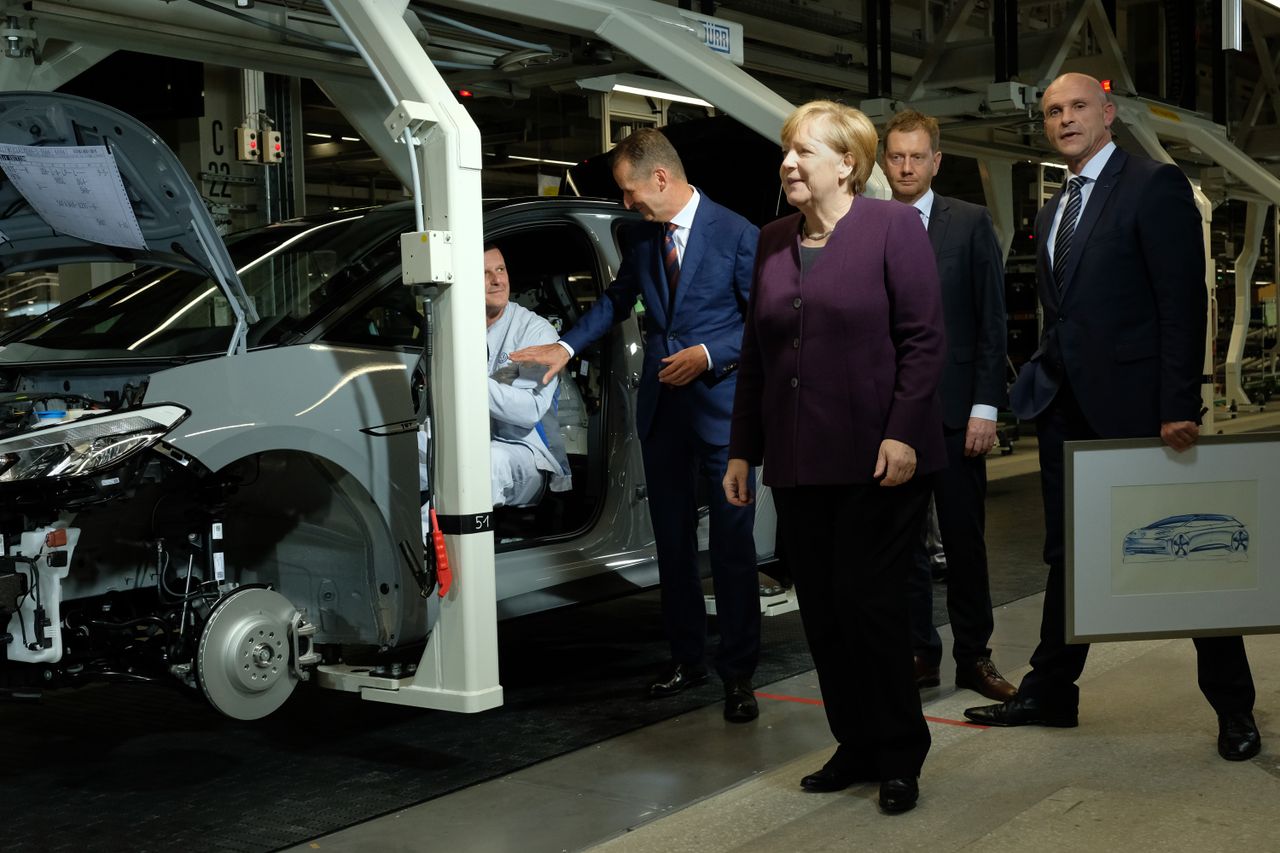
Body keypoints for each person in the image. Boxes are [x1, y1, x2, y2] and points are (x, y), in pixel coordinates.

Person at [963, 73, 1261, 762]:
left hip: (1139, 411)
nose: (1064, 120)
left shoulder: (1153, 186)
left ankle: (1234, 706)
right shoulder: (1052, 206)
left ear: (1107, 113)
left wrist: (1178, 406)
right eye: (1051, 112)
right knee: (1069, 552)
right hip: (1064, 405)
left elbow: (1182, 305)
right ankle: (1050, 690)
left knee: (1188, 559)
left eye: (1076, 108)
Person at [723, 100, 946, 814]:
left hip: (879, 460)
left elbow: (923, 339)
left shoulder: (894, 228)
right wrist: (741, 451)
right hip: (798, 460)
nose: (789, 163)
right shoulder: (772, 240)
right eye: (786, 152)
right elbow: (759, 356)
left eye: (804, 152)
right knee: (823, 611)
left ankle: (899, 751)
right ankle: (853, 741)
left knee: (872, 607)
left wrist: (904, 430)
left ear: (847, 163)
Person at [509, 128, 762, 723]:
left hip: (723, 417)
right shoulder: (646, 238)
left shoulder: (739, 234)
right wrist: (566, 348)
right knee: (671, 544)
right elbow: (616, 300)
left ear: (661, 179)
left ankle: (739, 673)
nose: (626, 204)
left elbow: (763, 325)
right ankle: (686, 658)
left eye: (628, 192)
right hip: (664, 414)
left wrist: (709, 353)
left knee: (731, 546)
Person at [880, 109, 1017, 703]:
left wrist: (987, 406)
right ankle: (918, 652)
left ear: (936, 162)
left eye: (917, 157)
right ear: (885, 161)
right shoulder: (869, 223)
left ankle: (974, 656)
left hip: (960, 414)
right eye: (897, 156)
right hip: (894, 418)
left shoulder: (970, 222)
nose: (906, 167)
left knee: (964, 541)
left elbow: (992, 320)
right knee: (903, 545)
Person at [418, 244, 571, 517]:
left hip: (526, 452)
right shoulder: (451, 328)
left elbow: (529, 410)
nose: (497, 280)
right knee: (406, 449)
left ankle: (425, 551)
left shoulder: (534, 330)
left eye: (500, 269)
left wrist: (465, 383)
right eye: (485, 273)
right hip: (466, 440)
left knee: (483, 464)